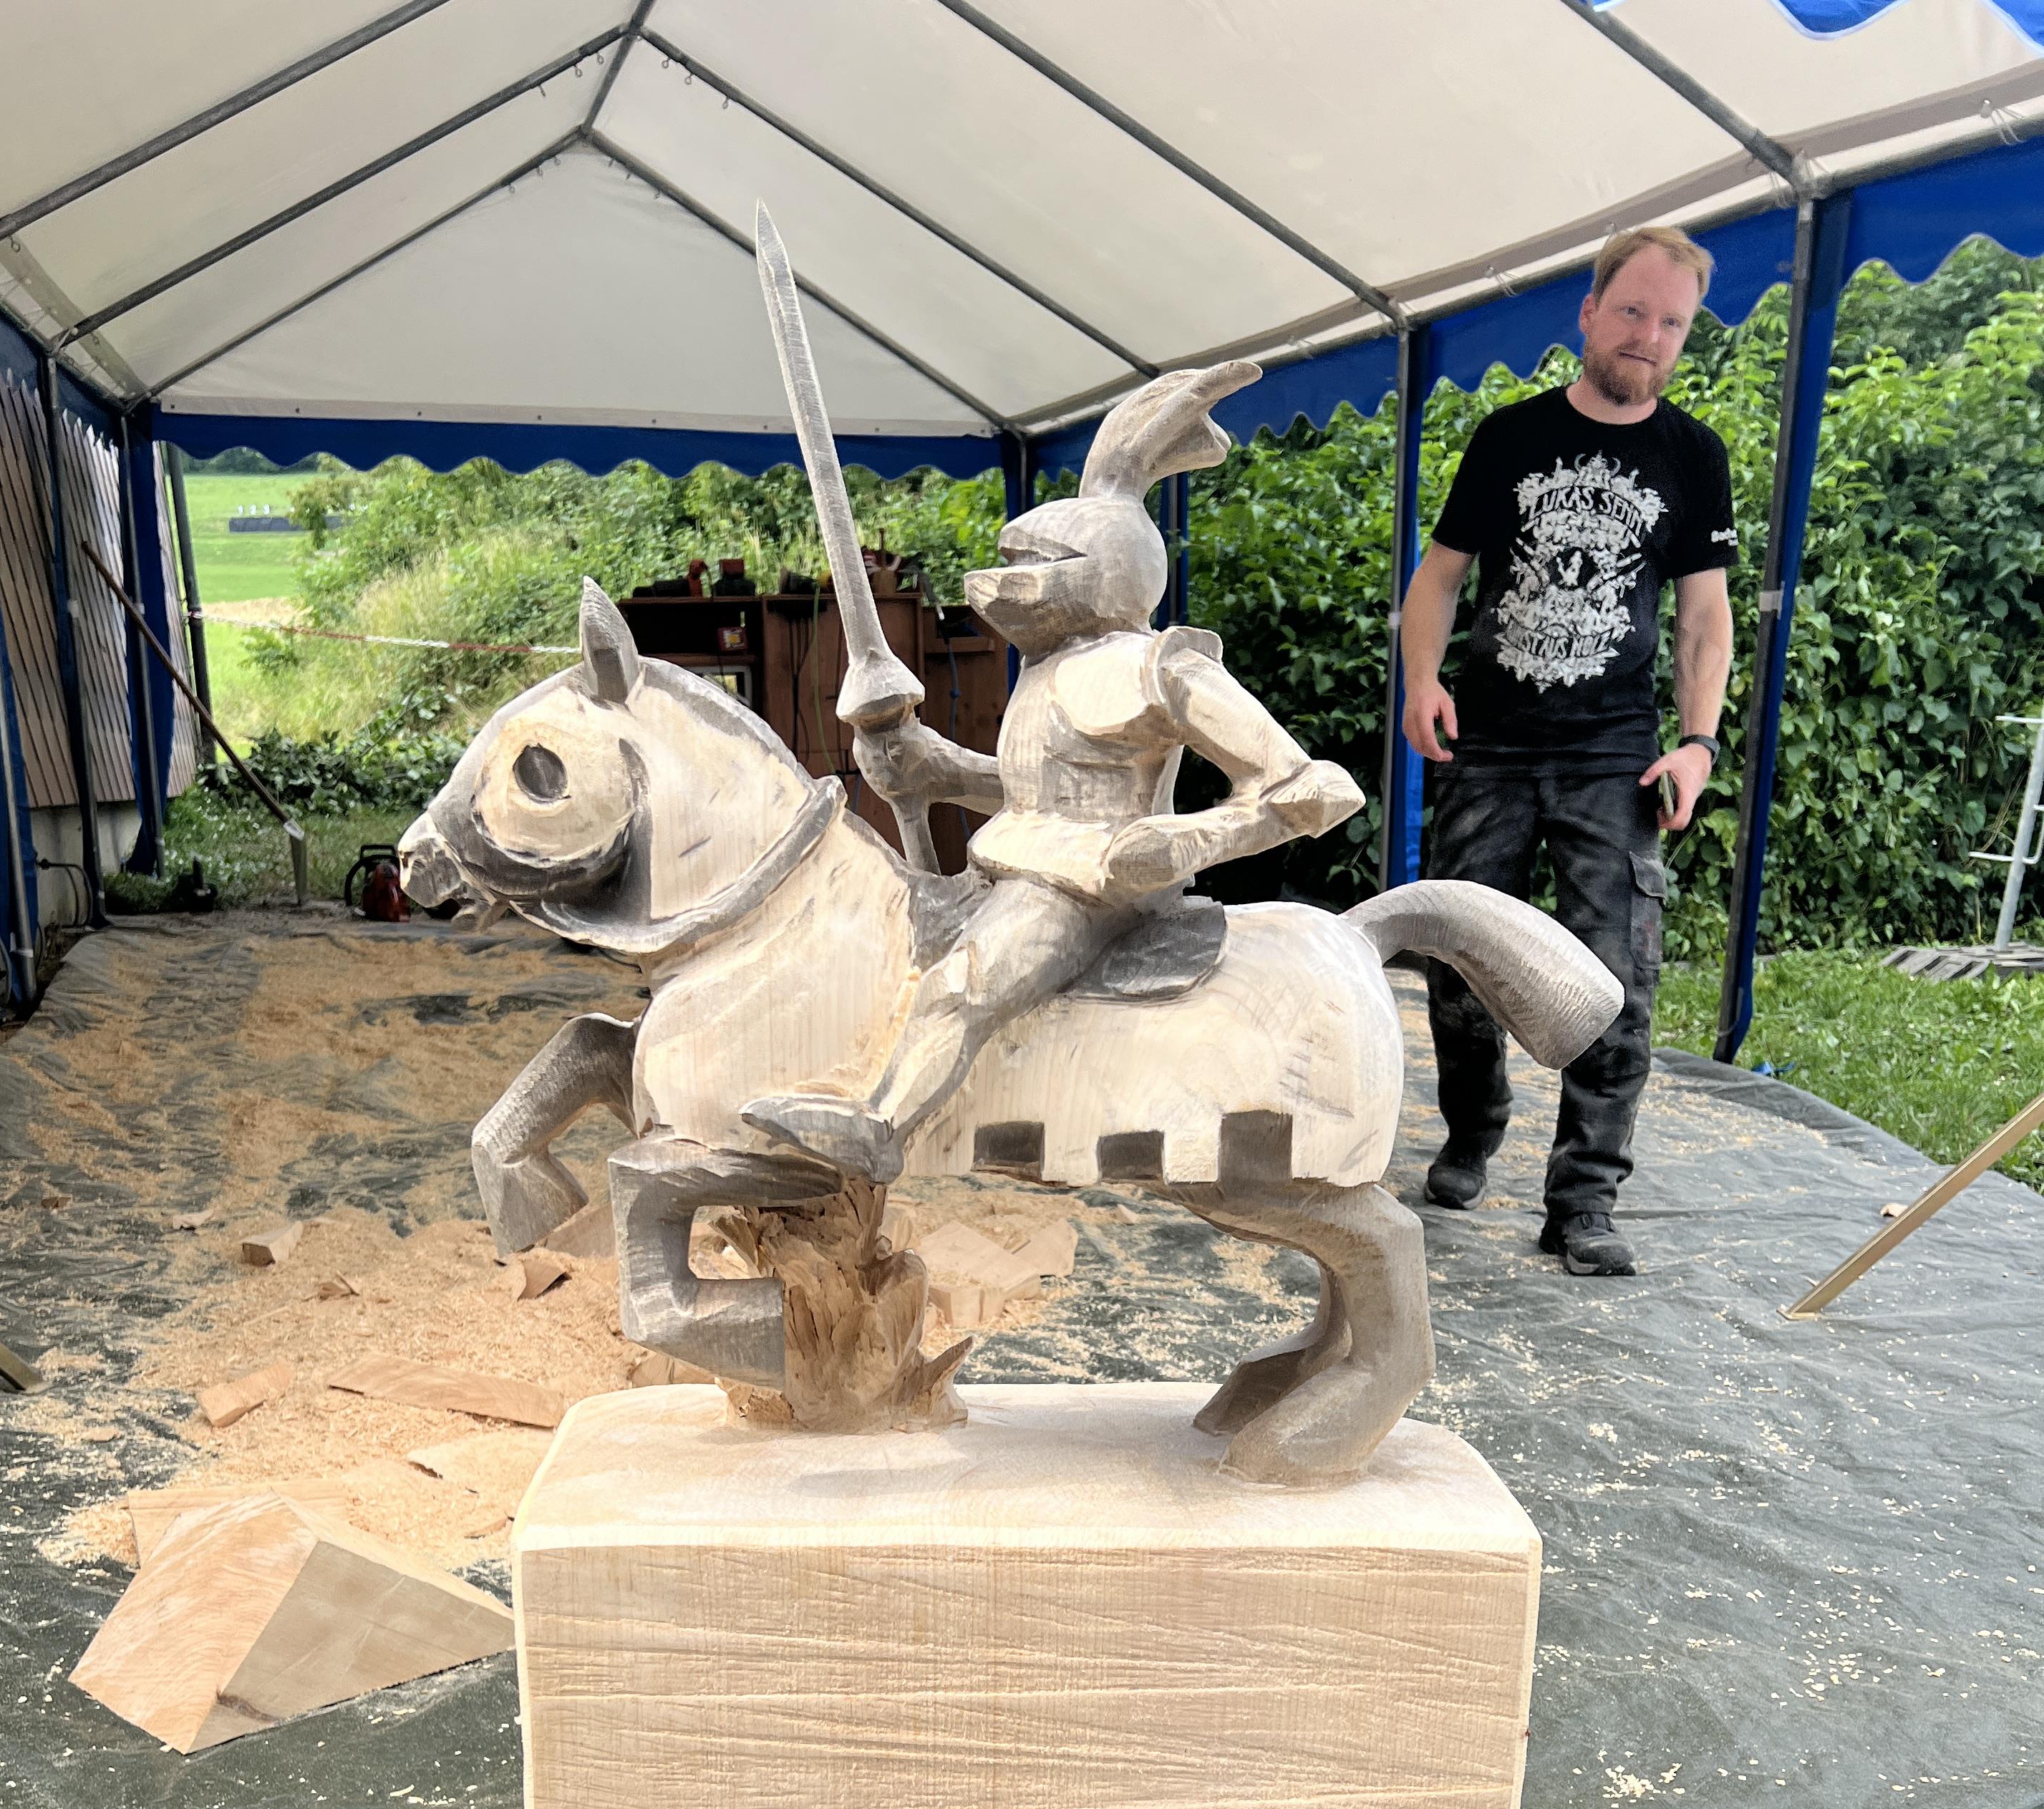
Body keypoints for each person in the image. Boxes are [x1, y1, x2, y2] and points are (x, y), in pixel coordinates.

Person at [742, 362, 1360, 1188]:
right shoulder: (1045, 667)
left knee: (962, 986)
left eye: (1042, 559)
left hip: (1084, 892)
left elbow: (1312, 789)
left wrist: (1187, 840)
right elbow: (1042, 797)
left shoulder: (1163, 667)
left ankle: (882, 1124)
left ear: (1111, 567)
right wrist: (937, 767)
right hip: (1016, 868)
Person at [1398, 223, 1736, 1276]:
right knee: (1457, 961)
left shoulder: (1695, 456)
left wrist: (1699, 744)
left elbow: (1705, 619)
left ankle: (1583, 1200)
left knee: (1618, 983)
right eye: (1632, 311)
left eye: (1672, 322)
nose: (1649, 336)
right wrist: (1421, 680)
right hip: (1489, 748)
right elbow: (1439, 578)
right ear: (1589, 313)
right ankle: (1472, 1127)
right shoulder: (1508, 437)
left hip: (1615, 760)